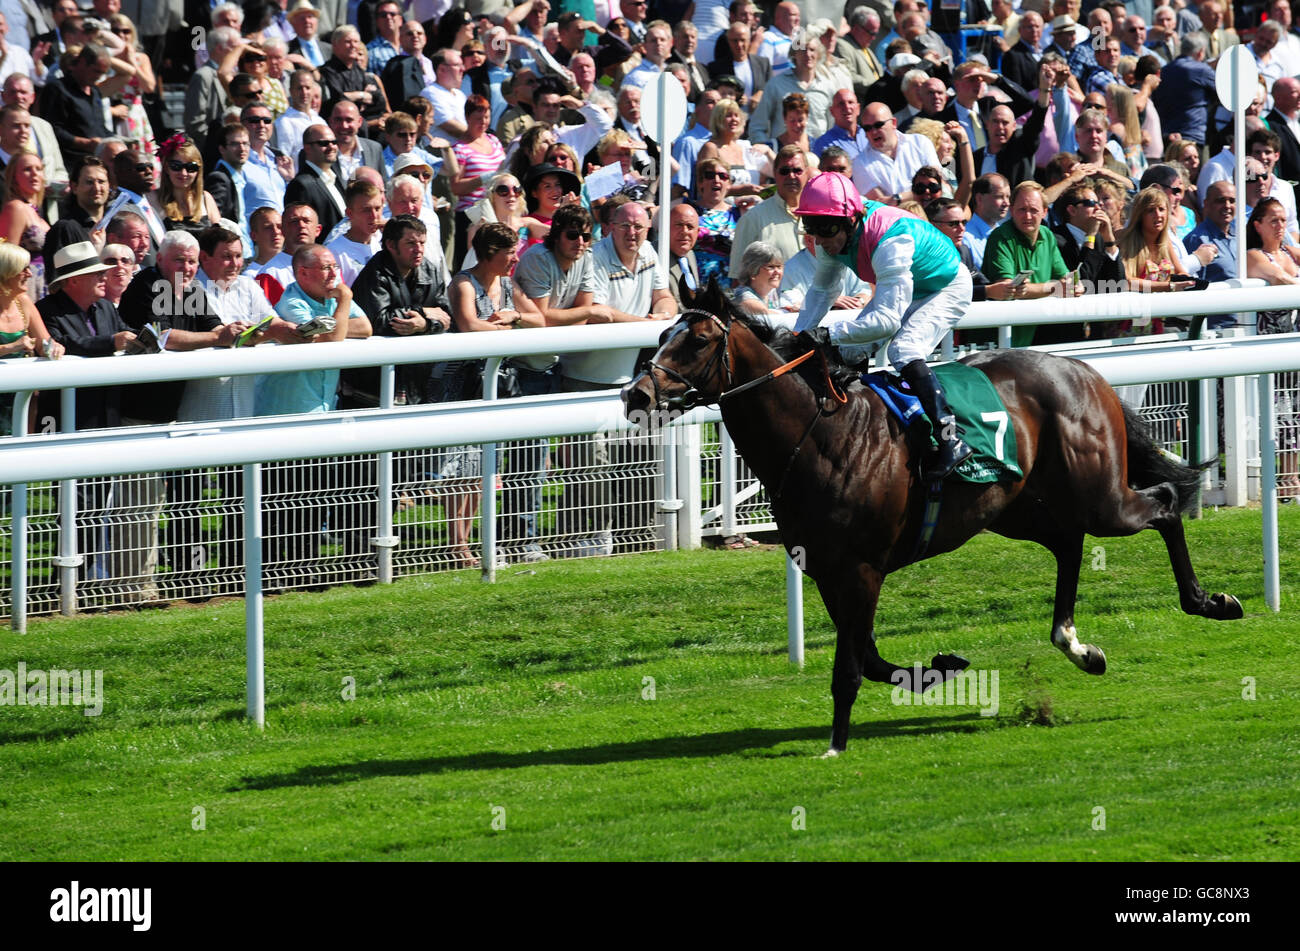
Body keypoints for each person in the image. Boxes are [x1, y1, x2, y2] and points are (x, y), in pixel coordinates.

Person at [791, 170, 974, 481]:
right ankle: (852, 430)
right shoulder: (832, 234)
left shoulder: (890, 238)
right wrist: (797, 338)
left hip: (947, 285)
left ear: (851, 220)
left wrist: (823, 334)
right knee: (848, 350)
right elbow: (823, 292)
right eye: (811, 226)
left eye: (825, 227)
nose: (818, 238)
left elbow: (887, 322)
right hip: (910, 287)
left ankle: (950, 440)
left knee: (904, 348)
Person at [443, 221, 547, 567]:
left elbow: (538, 320)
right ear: (490, 253)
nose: (515, 259)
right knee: (464, 468)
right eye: (509, 253)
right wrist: (504, 327)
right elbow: (469, 324)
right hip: (465, 385)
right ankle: (457, 544)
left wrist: (514, 315)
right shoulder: (463, 283)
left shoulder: (506, 283)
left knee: (486, 467)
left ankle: (465, 543)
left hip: (499, 385)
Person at [1244, 197, 1300, 491]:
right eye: (1273, 220)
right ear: (1258, 225)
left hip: (1293, 341)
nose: (1280, 226)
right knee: (1276, 413)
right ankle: (1273, 478)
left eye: (1283, 220)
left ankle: (1291, 477)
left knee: (1296, 413)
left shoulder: (1291, 254)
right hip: (1270, 344)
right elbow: (1278, 279)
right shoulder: (1254, 255)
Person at [0, 243, 62, 437]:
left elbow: (46, 343)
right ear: (6, 273)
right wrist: (10, 347)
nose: (29, 273)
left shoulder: (23, 303)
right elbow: (14, 346)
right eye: (23, 269)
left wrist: (54, 348)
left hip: (21, 397)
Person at [728, 143, 808, 280]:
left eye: (797, 170)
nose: (791, 176)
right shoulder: (752, 219)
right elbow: (738, 279)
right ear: (775, 174)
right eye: (784, 171)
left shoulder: (820, 215)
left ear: (807, 173)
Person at [450, 94, 506, 271]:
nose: (483, 122)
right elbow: (455, 186)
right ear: (467, 118)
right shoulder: (459, 149)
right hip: (471, 216)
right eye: (478, 118)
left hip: (495, 211)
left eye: (487, 117)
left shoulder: (494, 140)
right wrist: (482, 179)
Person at [0, 150, 49, 298]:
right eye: (27, 169)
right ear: (14, 177)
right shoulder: (15, 208)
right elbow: (7, 259)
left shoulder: (38, 214)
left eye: (38, 169)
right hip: (24, 288)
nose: (34, 173)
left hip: (43, 285)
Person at [150, 137, 222, 237]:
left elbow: (219, 238)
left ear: (198, 170)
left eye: (191, 167)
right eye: (176, 166)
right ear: (166, 168)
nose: (183, 173)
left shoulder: (205, 198)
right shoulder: (153, 198)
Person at [690, 155, 741, 288]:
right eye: (710, 175)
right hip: (697, 284)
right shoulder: (689, 210)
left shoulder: (739, 213)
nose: (716, 180)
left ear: (729, 183)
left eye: (723, 176)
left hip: (730, 286)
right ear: (700, 182)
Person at [325, 179, 384, 284]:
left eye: (377, 208)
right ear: (349, 213)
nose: (374, 216)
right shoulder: (334, 252)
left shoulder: (380, 244)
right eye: (366, 210)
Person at [732, 241, 790, 315]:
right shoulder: (745, 299)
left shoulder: (773, 291)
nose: (777, 272)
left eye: (779, 266)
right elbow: (773, 317)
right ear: (753, 271)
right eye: (770, 267)